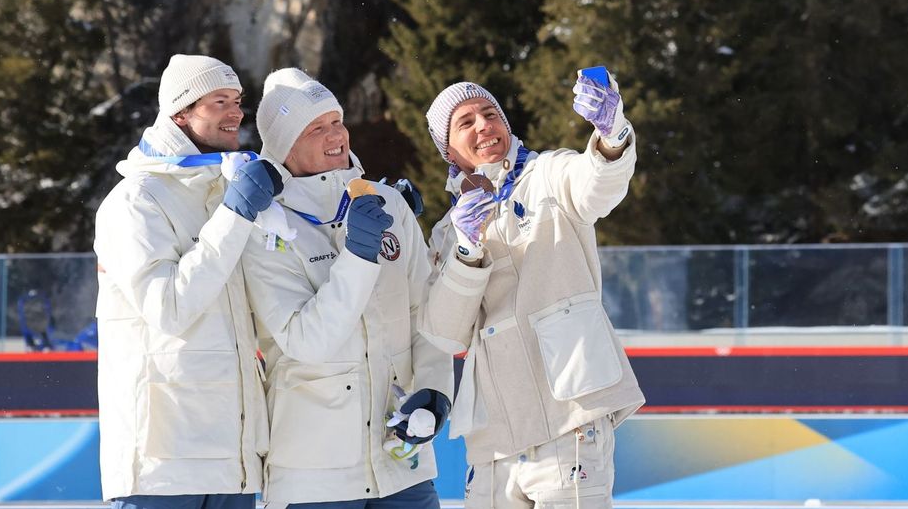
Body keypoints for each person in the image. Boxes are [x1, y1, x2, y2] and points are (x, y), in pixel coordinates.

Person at [421, 71, 644, 509]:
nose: (484, 125)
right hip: (494, 440)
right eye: (465, 122)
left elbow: (597, 186)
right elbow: (445, 332)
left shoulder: (549, 174)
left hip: (570, 420)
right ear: (448, 150)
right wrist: (468, 247)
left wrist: (611, 134)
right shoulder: (447, 233)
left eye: (490, 114)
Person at [240, 68, 453, 509]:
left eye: (336, 121)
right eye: (316, 128)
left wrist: (434, 392)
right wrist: (358, 256)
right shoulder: (264, 226)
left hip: (402, 463)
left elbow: (425, 313)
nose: (335, 134)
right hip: (314, 476)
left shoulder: (388, 203)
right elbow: (307, 341)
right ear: (284, 146)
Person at [95, 54, 283, 508]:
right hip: (161, 466)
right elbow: (169, 309)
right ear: (180, 112)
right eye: (220, 100)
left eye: (238, 100)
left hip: (233, 461)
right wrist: (236, 215)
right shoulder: (134, 201)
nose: (236, 112)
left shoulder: (224, 188)